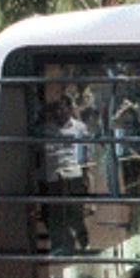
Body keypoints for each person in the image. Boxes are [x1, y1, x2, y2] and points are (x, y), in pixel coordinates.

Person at [41, 97, 90, 254]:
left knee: (75, 213)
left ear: (69, 109)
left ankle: (84, 242)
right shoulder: (47, 129)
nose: (59, 113)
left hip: (73, 175)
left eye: (63, 109)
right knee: (55, 214)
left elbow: (85, 153)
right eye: (57, 109)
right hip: (54, 176)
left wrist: (86, 177)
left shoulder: (80, 128)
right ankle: (60, 245)